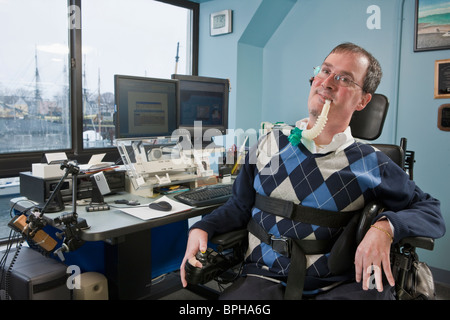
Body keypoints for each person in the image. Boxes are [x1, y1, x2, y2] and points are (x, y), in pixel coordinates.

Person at [179, 42, 446, 300]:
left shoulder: (374, 163)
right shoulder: (268, 144)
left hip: (339, 285)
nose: (327, 82)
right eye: (326, 71)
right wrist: (202, 228)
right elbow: (239, 206)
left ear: (363, 101)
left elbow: (431, 211)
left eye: (344, 79)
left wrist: (386, 228)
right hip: (263, 277)